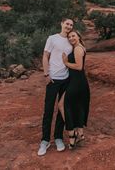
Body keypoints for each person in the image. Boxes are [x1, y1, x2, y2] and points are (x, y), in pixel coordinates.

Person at [37, 18, 74, 156]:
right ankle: (45, 141)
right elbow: (45, 56)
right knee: (48, 110)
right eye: (67, 24)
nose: (69, 26)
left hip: (66, 79)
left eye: (71, 25)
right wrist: (46, 74)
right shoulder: (52, 38)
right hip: (53, 80)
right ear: (61, 24)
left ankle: (58, 137)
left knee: (61, 109)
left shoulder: (71, 41)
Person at [58, 30, 90, 149]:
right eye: (69, 36)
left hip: (77, 82)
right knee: (77, 106)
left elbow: (79, 66)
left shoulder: (78, 48)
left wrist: (65, 62)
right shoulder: (78, 47)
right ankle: (79, 133)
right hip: (78, 82)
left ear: (78, 36)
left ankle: (72, 135)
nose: (71, 38)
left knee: (63, 105)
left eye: (73, 36)